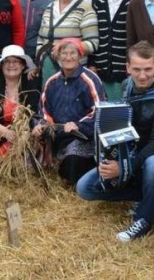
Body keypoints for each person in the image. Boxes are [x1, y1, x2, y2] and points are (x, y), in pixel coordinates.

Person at [77, 40, 154, 242]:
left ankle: (144, 218)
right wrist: (108, 156)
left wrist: (124, 167)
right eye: (137, 69)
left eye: (148, 69)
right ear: (128, 68)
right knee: (84, 188)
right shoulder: (127, 86)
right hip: (129, 154)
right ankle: (140, 195)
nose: (142, 75)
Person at [32, 38, 104, 184]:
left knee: (71, 166)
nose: (68, 57)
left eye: (73, 53)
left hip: (84, 138)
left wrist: (78, 125)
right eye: (64, 53)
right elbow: (44, 111)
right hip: (58, 137)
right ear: (57, 57)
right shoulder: (51, 82)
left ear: (80, 56)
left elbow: (99, 111)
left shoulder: (90, 80)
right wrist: (40, 125)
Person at [0, 45, 41, 167]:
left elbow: (33, 115)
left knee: (22, 161)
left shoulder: (30, 86)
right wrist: (5, 132)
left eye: (16, 61)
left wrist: (23, 133)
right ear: (1, 66)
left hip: (21, 136)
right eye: (7, 61)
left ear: (23, 66)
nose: (11, 65)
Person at [89, 0, 143, 99]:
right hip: (102, 66)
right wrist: (92, 62)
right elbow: (95, 31)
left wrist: (134, 62)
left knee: (125, 106)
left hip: (126, 67)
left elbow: (139, 34)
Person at [36, 0, 98, 85]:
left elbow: (93, 43)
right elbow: (41, 37)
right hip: (48, 68)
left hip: (73, 69)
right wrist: (41, 58)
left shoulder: (85, 9)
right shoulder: (50, 7)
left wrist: (65, 45)